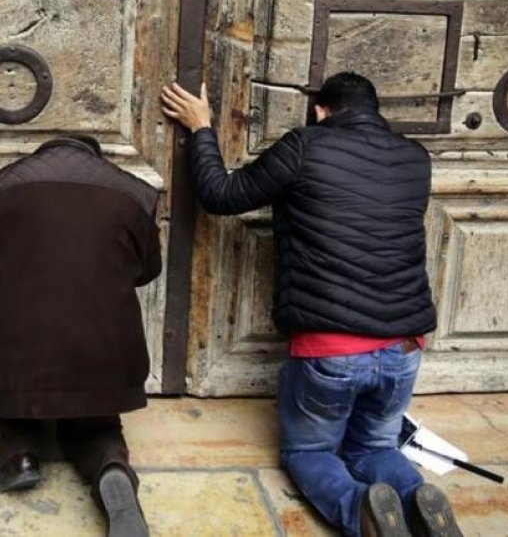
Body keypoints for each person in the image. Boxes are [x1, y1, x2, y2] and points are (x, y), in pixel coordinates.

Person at [160, 73, 463, 537]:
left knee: (311, 453)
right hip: (405, 348)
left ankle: (361, 513)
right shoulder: (414, 158)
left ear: (321, 110)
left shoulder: (305, 145)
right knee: (376, 448)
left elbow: (221, 195)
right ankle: (418, 501)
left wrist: (202, 127)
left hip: (331, 350)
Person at [0, 135, 161, 537]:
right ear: (95, 157)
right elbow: (148, 271)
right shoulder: (134, 193)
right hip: (105, 360)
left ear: (41, 154)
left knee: (17, 405)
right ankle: (111, 469)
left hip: (17, 362)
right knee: (96, 423)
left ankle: (20, 454)